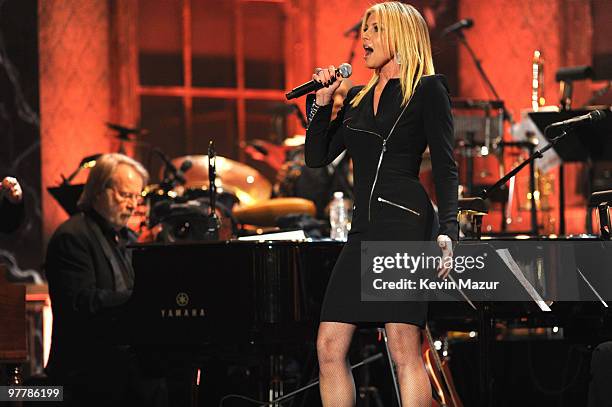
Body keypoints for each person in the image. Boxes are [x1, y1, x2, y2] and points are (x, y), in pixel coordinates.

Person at [305, 2, 458, 406]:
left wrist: (449, 229)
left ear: (400, 36)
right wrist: (322, 103)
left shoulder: (428, 90)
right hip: (363, 231)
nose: (364, 38)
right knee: (328, 346)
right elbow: (317, 157)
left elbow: (445, 166)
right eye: (364, 30)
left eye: (374, 29)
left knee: (403, 345)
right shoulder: (355, 97)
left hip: (405, 227)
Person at [45, 153, 167, 406]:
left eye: (137, 197)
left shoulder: (125, 238)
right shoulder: (72, 236)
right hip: (85, 372)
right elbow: (81, 302)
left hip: (118, 366)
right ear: (99, 191)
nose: (133, 205)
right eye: (125, 195)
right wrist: (140, 299)